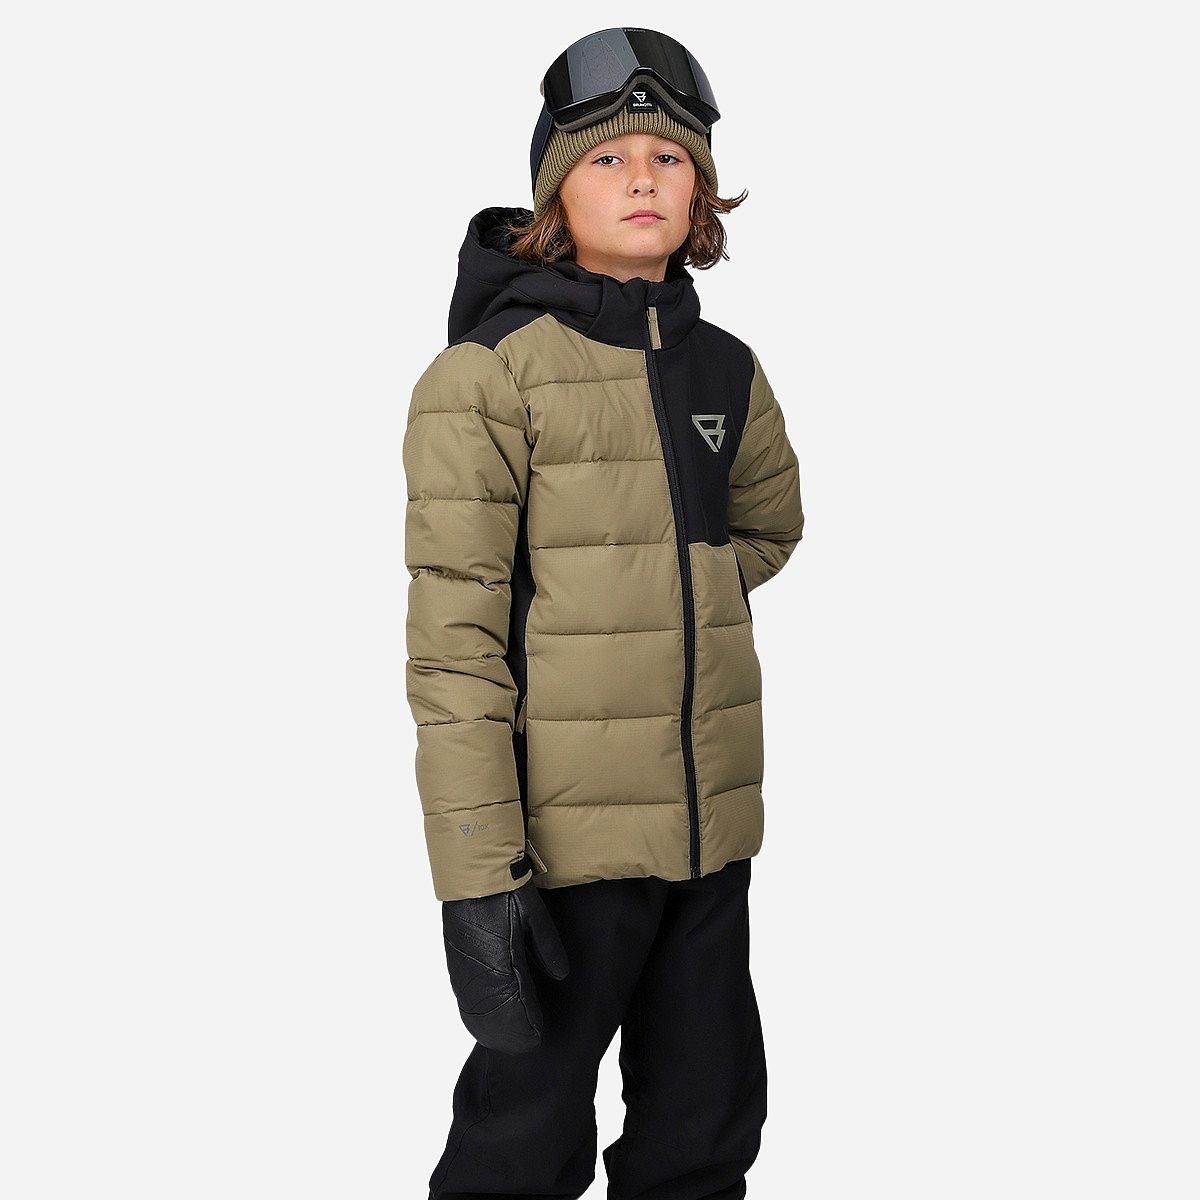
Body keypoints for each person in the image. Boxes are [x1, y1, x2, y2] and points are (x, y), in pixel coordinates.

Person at [403, 27, 805, 1199]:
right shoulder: (488, 377)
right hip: (561, 850)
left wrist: (671, 592)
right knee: (522, 1143)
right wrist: (478, 875)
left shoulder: (725, 369)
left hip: (708, 834)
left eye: (670, 158)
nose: (643, 178)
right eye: (608, 158)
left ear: (702, 192)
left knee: (705, 1126)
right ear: (553, 196)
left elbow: (767, 529)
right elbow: (453, 646)